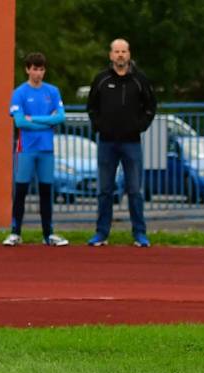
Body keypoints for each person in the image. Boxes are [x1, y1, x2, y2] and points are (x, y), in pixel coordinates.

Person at [86, 38, 157, 247]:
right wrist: (99, 125)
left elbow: (151, 106)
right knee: (104, 191)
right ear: (110, 55)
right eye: (116, 51)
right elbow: (91, 107)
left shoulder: (139, 80)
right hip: (107, 143)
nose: (120, 55)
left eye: (123, 51)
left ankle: (140, 234)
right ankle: (101, 233)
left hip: (131, 143)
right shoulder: (100, 79)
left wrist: (140, 125)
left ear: (129, 54)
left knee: (134, 190)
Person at [3, 52, 68, 247]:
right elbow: (21, 122)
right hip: (26, 149)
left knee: (46, 191)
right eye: (34, 69)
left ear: (44, 70)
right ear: (27, 69)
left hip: (46, 149)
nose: (37, 73)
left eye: (41, 69)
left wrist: (36, 119)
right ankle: (16, 232)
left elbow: (61, 117)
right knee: (21, 190)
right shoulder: (20, 93)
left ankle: (48, 234)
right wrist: (48, 121)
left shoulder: (53, 91)